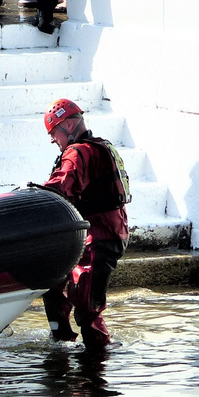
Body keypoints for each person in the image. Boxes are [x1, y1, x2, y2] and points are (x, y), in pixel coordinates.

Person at [39, 99, 131, 351]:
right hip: (100, 232)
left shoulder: (78, 153)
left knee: (86, 303)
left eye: (53, 132)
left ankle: (96, 359)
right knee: (53, 283)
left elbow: (61, 185)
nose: (52, 140)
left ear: (68, 124)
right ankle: (61, 340)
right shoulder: (98, 147)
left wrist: (29, 198)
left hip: (101, 235)